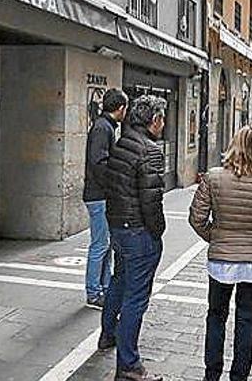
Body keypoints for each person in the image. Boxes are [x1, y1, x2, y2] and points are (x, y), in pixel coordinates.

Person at [189, 126, 252, 381]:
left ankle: (211, 375)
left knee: (216, 317)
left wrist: (217, 238)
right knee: (246, 320)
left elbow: (196, 219)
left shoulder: (213, 178)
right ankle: (239, 377)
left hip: (221, 263)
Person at [100, 95, 168, 381]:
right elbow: (151, 201)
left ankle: (107, 335)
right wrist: (158, 232)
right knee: (136, 297)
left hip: (118, 227)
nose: (163, 124)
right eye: (162, 118)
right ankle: (128, 365)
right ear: (153, 121)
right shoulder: (150, 151)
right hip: (139, 232)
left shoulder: (121, 143)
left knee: (119, 281)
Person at [83, 88, 128, 309]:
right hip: (99, 195)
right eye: (125, 109)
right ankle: (93, 292)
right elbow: (98, 162)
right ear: (120, 108)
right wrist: (114, 182)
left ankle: (105, 286)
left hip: (101, 195)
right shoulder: (103, 128)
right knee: (100, 245)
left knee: (106, 244)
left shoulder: (105, 126)